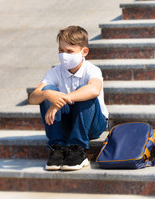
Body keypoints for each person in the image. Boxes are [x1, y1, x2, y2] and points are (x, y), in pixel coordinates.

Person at [28, 25, 108, 171]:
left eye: (69, 51)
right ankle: (58, 148)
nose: (64, 55)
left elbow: (94, 89)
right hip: (67, 123)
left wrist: (61, 101)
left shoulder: (92, 70)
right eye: (61, 51)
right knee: (47, 91)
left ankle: (78, 149)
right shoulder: (55, 72)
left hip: (93, 125)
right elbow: (33, 98)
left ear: (84, 51)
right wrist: (48, 95)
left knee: (84, 92)